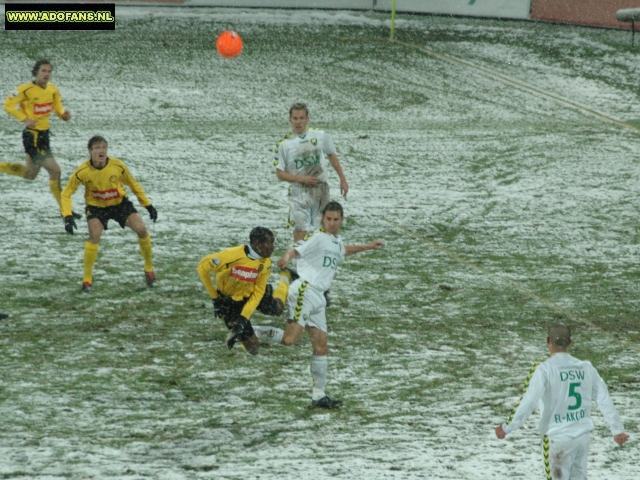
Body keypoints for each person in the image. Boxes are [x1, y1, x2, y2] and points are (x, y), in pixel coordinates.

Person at [254, 201, 384, 409]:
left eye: (336, 220)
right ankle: (248, 330)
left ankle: (319, 395)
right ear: (323, 219)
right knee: (289, 340)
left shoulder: (335, 241)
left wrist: (367, 246)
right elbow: (295, 249)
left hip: (319, 299)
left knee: (321, 347)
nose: (332, 223)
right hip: (305, 291)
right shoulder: (317, 237)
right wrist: (286, 258)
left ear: (342, 220)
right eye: (329, 219)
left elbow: (343, 250)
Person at [495, 324, 629, 480]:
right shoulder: (585, 367)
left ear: (548, 341)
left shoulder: (544, 369)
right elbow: (603, 397)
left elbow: (529, 400)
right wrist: (617, 429)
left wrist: (507, 427)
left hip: (557, 439)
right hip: (582, 437)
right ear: (570, 342)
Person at [60, 136, 158, 292]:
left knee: (141, 230)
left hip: (119, 204)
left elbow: (133, 184)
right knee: (94, 236)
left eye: (104, 147)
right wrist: (67, 216)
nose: (101, 151)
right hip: (96, 207)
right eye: (97, 148)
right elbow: (66, 193)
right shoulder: (82, 171)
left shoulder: (117, 166)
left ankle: (149, 271)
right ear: (90, 151)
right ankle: (87, 281)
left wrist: (148, 205)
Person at [197, 227, 295, 355]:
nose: (273, 247)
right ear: (256, 244)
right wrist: (215, 298)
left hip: (253, 294)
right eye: (269, 243)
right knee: (253, 348)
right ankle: (248, 332)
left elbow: (258, 292)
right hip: (230, 301)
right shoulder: (229, 256)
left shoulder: (265, 263)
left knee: (278, 309)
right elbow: (202, 268)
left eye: (273, 242)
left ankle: (285, 277)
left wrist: (243, 318)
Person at [2, 59, 80, 218]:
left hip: (44, 136)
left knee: (30, 174)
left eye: (49, 71)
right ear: (36, 72)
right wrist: (24, 119)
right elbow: (8, 106)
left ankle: (65, 211)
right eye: (43, 71)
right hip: (32, 136)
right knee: (55, 171)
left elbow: (57, 107)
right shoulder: (25, 90)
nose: (46, 74)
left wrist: (63, 115)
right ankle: (66, 212)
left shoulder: (52, 89)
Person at [273, 102, 349, 244]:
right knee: (300, 229)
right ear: (290, 120)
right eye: (295, 118)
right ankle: (298, 264)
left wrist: (342, 179)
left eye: (301, 118)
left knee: (324, 228)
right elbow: (280, 174)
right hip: (299, 192)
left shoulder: (320, 136)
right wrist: (301, 179)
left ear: (307, 119)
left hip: (321, 190)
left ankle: (320, 260)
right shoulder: (284, 144)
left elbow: (331, 155)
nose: (298, 122)